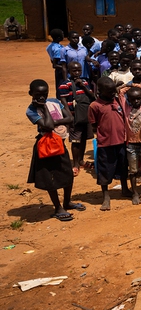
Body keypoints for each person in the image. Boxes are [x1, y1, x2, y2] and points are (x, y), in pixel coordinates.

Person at [26, 79, 84, 221]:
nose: (41, 97)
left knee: (67, 174)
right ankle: (58, 207)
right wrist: (44, 108)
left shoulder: (55, 102)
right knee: (50, 178)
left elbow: (69, 118)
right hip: (46, 146)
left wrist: (53, 121)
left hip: (60, 143)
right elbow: (48, 127)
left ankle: (67, 202)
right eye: (38, 94)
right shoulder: (31, 110)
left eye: (44, 94)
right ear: (30, 93)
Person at [88, 77, 130, 211]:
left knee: (123, 166)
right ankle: (106, 196)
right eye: (110, 91)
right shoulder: (95, 106)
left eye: (114, 91)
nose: (113, 93)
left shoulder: (118, 100)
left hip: (121, 141)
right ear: (100, 91)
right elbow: (94, 125)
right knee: (105, 170)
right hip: (105, 143)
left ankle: (125, 188)